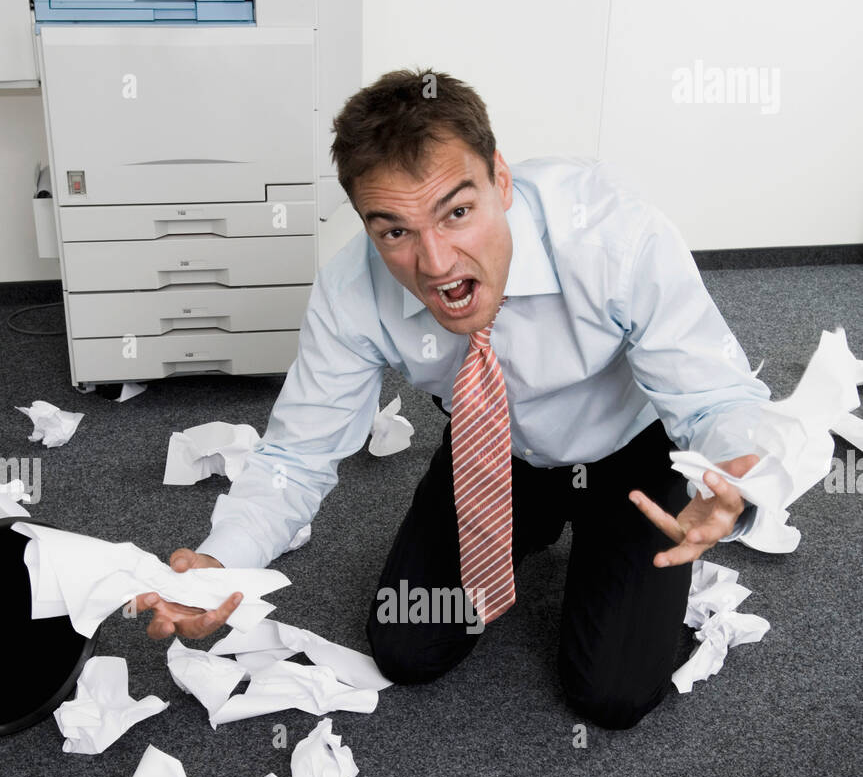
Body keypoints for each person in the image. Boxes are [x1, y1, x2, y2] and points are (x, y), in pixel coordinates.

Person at [140, 67, 774, 729]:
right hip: (491, 449)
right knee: (406, 647)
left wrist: (730, 477)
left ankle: (598, 546)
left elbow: (717, 396)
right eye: (394, 232)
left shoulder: (612, 236)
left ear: (500, 179)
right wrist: (220, 563)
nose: (436, 263)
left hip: (631, 458)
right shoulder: (350, 292)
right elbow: (296, 457)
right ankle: (529, 526)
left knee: (609, 696)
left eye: (457, 213)